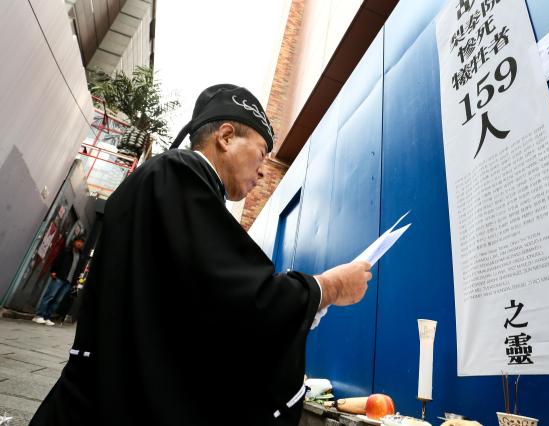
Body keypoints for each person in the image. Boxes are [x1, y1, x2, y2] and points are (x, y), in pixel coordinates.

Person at [30, 84, 372, 426]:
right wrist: (330, 287)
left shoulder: (163, 180)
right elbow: (237, 299)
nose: (264, 170)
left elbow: (186, 310)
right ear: (226, 136)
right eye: (262, 152)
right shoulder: (179, 174)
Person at [32, 237, 85, 326]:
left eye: (81, 242)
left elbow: (78, 270)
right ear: (74, 242)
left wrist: (76, 280)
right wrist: (53, 271)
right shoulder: (66, 251)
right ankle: (38, 315)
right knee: (49, 296)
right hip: (59, 277)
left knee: (57, 300)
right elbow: (57, 260)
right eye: (78, 241)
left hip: (69, 281)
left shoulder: (81, 256)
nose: (79, 244)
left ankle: (47, 317)